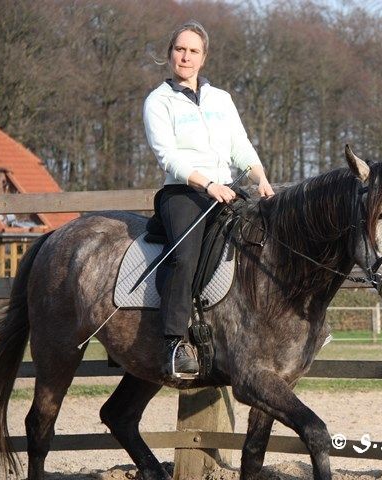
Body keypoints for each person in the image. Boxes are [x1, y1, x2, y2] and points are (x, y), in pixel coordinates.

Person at [143, 20, 274, 377]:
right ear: (170, 53)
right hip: (183, 192)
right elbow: (168, 156)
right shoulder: (158, 102)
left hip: (227, 189)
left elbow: (240, 146)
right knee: (184, 256)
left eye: (193, 51)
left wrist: (260, 177)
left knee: (270, 236)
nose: (185, 57)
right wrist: (208, 184)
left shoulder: (221, 100)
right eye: (180, 49)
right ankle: (173, 343)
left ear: (204, 57)